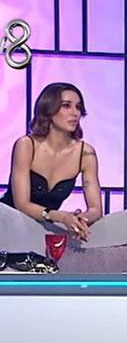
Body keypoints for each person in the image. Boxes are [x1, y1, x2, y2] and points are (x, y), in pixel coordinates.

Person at [0, 82, 102, 241]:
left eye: (78, 107)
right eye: (66, 106)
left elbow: (96, 209)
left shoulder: (86, 153)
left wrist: (80, 220)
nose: (75, 113)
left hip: (41, 232)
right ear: (49, 108)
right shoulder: (26, 145)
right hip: (6, 224)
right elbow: (22, 204)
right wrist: (61, 217)